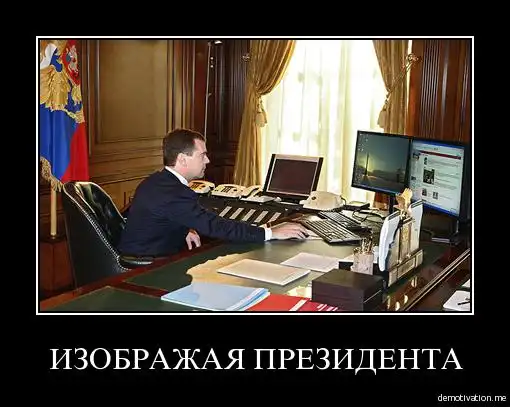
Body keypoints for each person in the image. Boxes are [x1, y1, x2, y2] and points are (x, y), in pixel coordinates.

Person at [118, 128, 309, 257]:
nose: (207, 161)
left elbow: (159, 219)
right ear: (183, 159)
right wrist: (271, 233)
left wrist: (183, 229)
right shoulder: (175, 193)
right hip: (147, 267)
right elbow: (217, 227)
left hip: (144, 254)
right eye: (202, 155)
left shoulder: (156, 181)